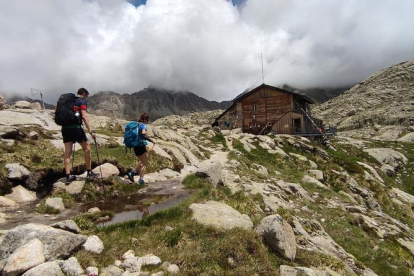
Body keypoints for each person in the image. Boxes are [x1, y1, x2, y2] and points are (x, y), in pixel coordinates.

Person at [62, 88, 99, 184]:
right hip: (76, 128)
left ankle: (68, 175)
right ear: (84, 94)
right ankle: (89, 172)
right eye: (86, 96)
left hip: (65, 129)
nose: (86, 98)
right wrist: (90, 131)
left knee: (67, 151)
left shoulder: (68, 101)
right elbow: (84, 116)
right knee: (87, 148)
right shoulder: (82, 101)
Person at [127, 112, 155, 185]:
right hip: (140, 146)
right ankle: (141, 180)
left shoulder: (137, 125)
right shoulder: (143, 126)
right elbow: (143, 135)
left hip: (135, 146)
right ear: (145, 119)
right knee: (144, 163)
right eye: (147, 119)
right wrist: (151, 140)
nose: (147, 121)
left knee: (142, 162)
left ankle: (132, 173)